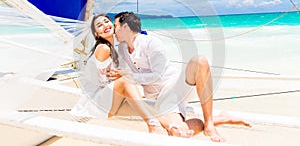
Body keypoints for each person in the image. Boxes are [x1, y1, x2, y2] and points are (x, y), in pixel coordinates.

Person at [111, 12, 251, 142]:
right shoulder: (122, 48)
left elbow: (157, 75)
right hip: (161, 99)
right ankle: (222, 119)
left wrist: (130, 76)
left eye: (115, 26)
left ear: (125, 27)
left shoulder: (151, 43)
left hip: (174, 86)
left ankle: (209, 124)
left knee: (199, 61)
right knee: (177, 132)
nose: (113, 29)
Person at [71, 14, 167, 134]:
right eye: (99, 25)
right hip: (97, 102)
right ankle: (151, 124)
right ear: (97, 34)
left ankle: (174, 129)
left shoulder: (116, 47)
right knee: (127, 81)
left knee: (155, 110)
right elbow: (105, 80)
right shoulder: (103, 49)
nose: (105, 25)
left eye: (106, 21)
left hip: (111, 100)